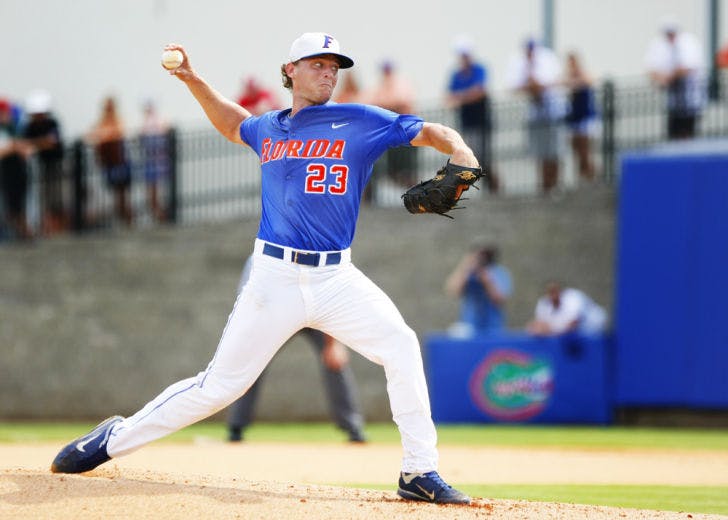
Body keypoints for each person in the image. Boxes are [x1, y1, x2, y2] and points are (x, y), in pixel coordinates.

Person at [50, 32, 477, 505]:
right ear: (290, 69)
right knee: (218, 388)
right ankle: (112, 439)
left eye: (335, 66)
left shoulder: (360, 120)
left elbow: (430, 132)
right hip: (274, 279)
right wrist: (193, 79)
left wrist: (460, 150)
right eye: (318, 64)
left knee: (400, 345)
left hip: (337, 278)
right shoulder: (270, 128)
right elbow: (235, 124)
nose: (329, 72)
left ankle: (419, 471)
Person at [227, 256, 366, 443]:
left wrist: (334, 344)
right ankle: (236, 426)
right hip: (278, 315)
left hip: (316, 314)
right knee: (252, 364)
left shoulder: (316, 253)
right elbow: (248, 303)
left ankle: (353, 427)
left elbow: (331, 298)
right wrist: (252, 347)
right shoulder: (260, 258)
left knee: (335, 360)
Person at [506, 38, 566, 195]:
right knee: (540, 152)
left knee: (554, 151)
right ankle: (545, 185)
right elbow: (513, 86)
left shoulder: (548, 59)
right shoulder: (519, 63)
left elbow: (554, 81)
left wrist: (536, 84)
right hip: (536, 115)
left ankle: (555, 184)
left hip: (553, 112)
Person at [447, 36, 498, 193]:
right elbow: (449, 98)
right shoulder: (456, 75)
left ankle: (494, 188)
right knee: (472, 158)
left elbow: (479, 91)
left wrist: (462, 97)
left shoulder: (479, 69)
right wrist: (468, 96)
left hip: (481, 122)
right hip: (466, 123)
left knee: (483, 158)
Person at [645, 17, 705, 140]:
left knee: (688, 131)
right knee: (674, 132)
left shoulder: (688, 42)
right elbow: (651, 68)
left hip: (689, 99)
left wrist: (669, 78)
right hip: (674, 101)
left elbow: (687, 67)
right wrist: (662, 78)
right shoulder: (660, 45)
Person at [365, 60, 419, 198]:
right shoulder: (381, 86)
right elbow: (374, 103)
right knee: (394, 170)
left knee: (406, 169)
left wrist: (385, 107)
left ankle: (417, 195)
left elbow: (401, 103)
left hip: (405, 132)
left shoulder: (400, 84)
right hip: (392, 134)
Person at [23, 89, 67, 235]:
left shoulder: (52, 123)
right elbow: (27, 144)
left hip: (56, 164)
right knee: (45, 198)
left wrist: (37, 143)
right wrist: (42, 142)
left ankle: (59, 228)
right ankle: (48, 228)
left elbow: (52, 142)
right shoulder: (30, 127)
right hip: (41, 166)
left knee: (58, 197)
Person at [444, 242, 512, 337]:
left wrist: (486, 280)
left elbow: (499, 299)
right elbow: (453, 290)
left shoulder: (499, 273)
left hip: (493, 327)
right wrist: (464, 268)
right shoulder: (468, 273)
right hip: (469, 326)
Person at [87, 96, 132, 226]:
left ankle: (127, 220)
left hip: (120, 162)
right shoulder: (103, 121)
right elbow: (94, 134)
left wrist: (105, 134)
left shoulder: (117, 120)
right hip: (110, 163)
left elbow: (117, 132)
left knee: (122, 194)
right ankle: (123, 220)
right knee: (116, 193)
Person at [0, 98, 33, 239]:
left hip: (17, 172)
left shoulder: (15, 128)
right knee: (10, 206)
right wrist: (13, 148)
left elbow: (27, 149)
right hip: (5, 173)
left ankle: (24, 233)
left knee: (18, 205)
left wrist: (16, 147)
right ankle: (20, 232)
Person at [526, 280, 607, 336]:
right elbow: (538, 326)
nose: (553, 295)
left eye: (555, 291)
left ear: (561, 291)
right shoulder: (543, 303)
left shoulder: (573, 297)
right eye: (550, 292)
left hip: (595, 329)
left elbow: (572, 324)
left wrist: (549, 329)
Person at [563, 52, 597, 182]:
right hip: (575, 120)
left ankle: (590, 176)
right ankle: (582, 177)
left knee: (585, 151)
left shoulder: (583, 76)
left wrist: (574, 80)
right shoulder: (568, 77)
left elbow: (588, 81)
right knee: (577, 152)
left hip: (586, 119)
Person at [139, 100, 170, 222]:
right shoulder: (160, 122)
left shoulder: (150, 124)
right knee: (154, 195)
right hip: (158, 163)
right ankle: (161, 216)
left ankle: (161, 217)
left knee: (153, 195)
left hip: (154, 164)